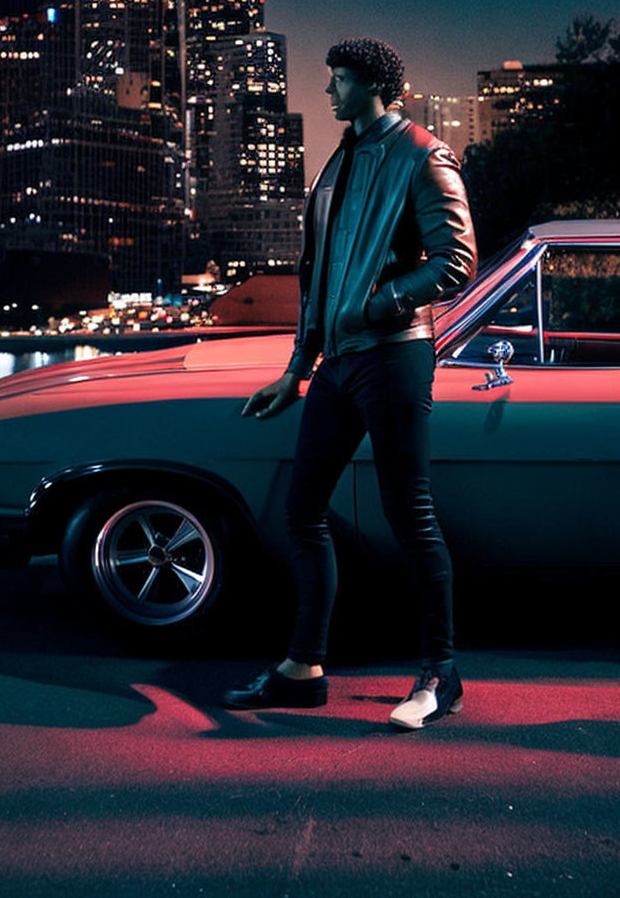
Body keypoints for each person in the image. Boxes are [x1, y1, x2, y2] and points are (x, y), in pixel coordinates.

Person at [222, 38, 477, 729]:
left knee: (409, 516)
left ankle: (440, 675)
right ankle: (302, 669)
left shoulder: (423, 154)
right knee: (301, 512)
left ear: (372, 85)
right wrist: (295, 370)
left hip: (393, 354)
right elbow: (318, 276)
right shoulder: (336, 162)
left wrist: (375, 304)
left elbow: (457, 263)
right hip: (335, 365)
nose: (329, 93)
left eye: (338, 81)